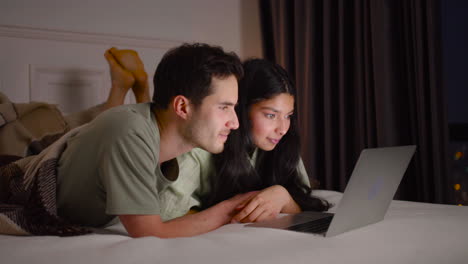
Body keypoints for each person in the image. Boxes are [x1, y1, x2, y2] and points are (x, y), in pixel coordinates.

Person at [56, 43, 256, 238]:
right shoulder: (129, 132)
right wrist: (234, 207)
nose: (235, 123)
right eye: (224, 107)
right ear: (182, 107)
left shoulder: (163, 142)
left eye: (234, 108)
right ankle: (122, 86)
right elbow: (149, 232)